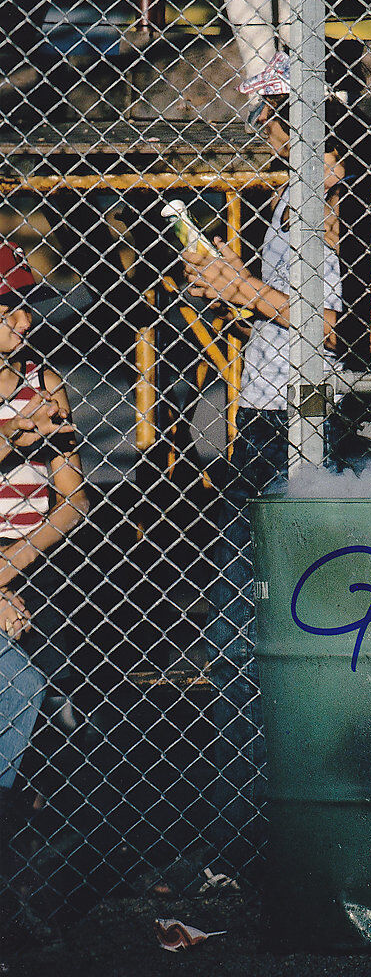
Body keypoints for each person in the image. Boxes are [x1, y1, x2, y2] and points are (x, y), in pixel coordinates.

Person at [182, 52, 371, 877]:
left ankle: (257, 834)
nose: (269, 133)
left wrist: (243, 290)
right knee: (263, 621)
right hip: (277, 418)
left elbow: (332, 326)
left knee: (249, 628)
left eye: (281, 118)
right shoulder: (302, 200)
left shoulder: (323, 201)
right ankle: (278, 823)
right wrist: (232, 293)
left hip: (296, 426)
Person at [0, 241, 87, 953]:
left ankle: (25, 887)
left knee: (55, 711)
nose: (23, 320)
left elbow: (72, 500)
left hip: (26, 568)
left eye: (25, 305)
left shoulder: (43, 381)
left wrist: (11, 567)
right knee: (18, 684)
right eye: (7, 307)